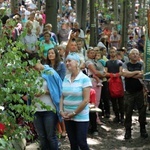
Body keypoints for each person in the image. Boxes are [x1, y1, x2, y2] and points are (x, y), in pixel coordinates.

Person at [59, 52, 92, 150]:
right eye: (66, 61)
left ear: (77, 62)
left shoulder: (84, 79)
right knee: (73, 144)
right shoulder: (66, 78)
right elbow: (62, 96)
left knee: (81, 142)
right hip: (67, 116)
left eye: (69, 61)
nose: (67, 63)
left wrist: (74, 113)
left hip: (81, 116)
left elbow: (86, 100)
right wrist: (61, 111)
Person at [33, 62, 62, 150]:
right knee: (41, 136)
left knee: (50, 136)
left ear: (37, 61)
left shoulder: (50, 73)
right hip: (36, 110)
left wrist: (43, 92)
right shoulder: (31, 75)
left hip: (50, 110)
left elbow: (58, 91)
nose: (31, 69)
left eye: (33, 66)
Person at [122, 48, 148, 139]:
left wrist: (131, 74)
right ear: (129, 55)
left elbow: (143, 75)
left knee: (142, 111)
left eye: (137, 54)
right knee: (128, 112)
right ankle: (128, 131)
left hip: (140, 91)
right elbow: (125, 74)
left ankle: (143, 129)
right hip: (129, 92)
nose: (135, 55)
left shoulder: (141, 64)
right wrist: (136, 72)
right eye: (133, 53)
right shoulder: (126, 64)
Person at [105, 46, 124, 123]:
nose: (112, 53)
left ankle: (122, 117)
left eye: (114, 52)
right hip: (111, 84)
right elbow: (105, 73)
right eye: (111, 52)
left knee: (121, 101)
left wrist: (112, 75)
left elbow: (121, 72)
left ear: (116, 53)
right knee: (113, 101)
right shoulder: (107, 62)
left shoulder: (119, 62)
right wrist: (113, 75)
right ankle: (117, 116)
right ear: (109, 53)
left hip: (118, 83)